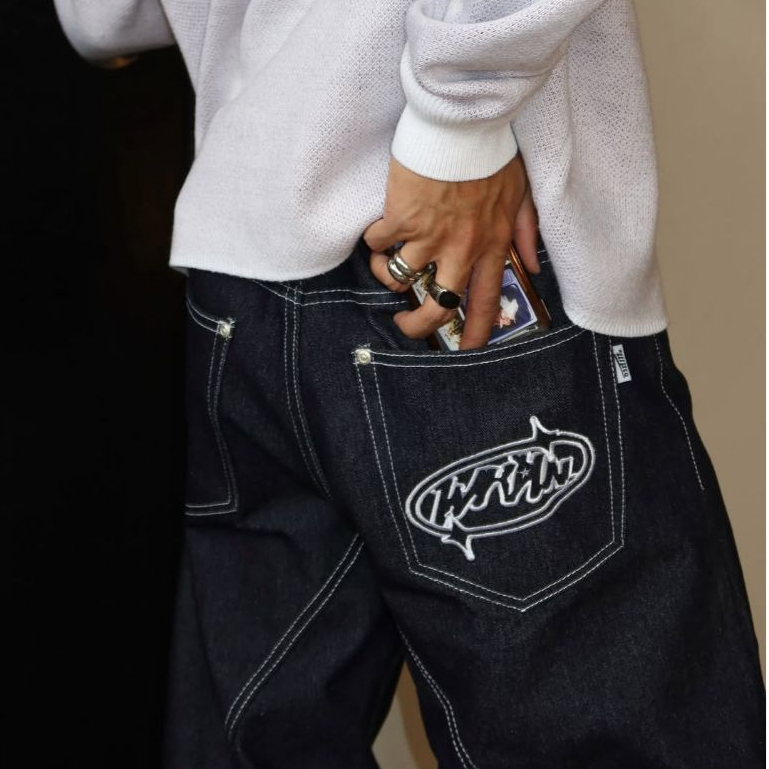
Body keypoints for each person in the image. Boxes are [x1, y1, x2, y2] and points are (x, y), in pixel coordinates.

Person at [54, 1, 765, 767]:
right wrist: (458, 123)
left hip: (244, 268)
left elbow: (103, 18)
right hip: (453, 246)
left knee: (261, 737)